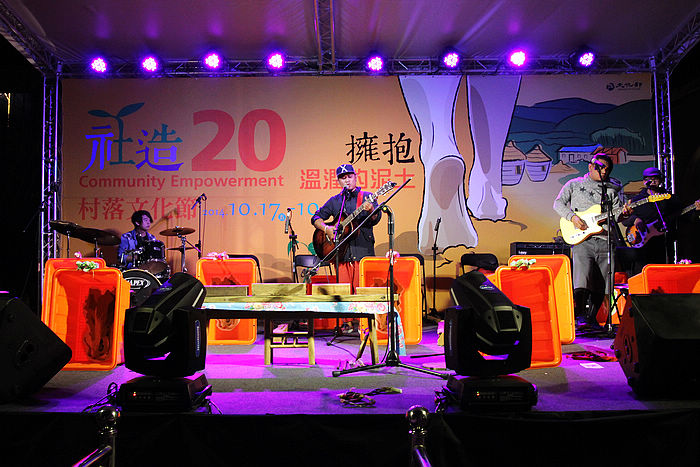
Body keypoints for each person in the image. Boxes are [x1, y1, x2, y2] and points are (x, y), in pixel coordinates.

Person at [553, 153, 630, 331]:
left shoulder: (611, 190)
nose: (603, 171)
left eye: (607, 169)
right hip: (582, 239)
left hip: (605, 239)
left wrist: (625, 214)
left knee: (604, 281)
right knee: (582, 278)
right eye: (600, 167)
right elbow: (558, 204)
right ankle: (579, 317)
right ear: (590, 166)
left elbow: (616, 215)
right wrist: (572, 217)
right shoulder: (574, 184)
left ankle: (593, 318)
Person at [311, 163, 382, 291]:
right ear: (338, 181)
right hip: (341, 254)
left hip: (362, 252)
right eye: (343, 178)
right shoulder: (335, 200)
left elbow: (375, 219)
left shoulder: (366, 196)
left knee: (363, 293)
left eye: (349, 176)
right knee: (344, 293)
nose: (347, 180)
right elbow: (316, 218)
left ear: (356, 177)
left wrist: (371, 209)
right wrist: (326, 229)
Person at [620, 167, 700, 275]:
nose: (652, 181)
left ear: (661, 180)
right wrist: (635, 220)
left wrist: (696, 210)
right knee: (642, 274)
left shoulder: (670, 198)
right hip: (642, 244)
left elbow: (684, 216)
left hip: (663, 243)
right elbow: (624, 220)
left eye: (655, 178)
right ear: (644, 181)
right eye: (649, 179)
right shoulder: (637, 200)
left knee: (662, 273)